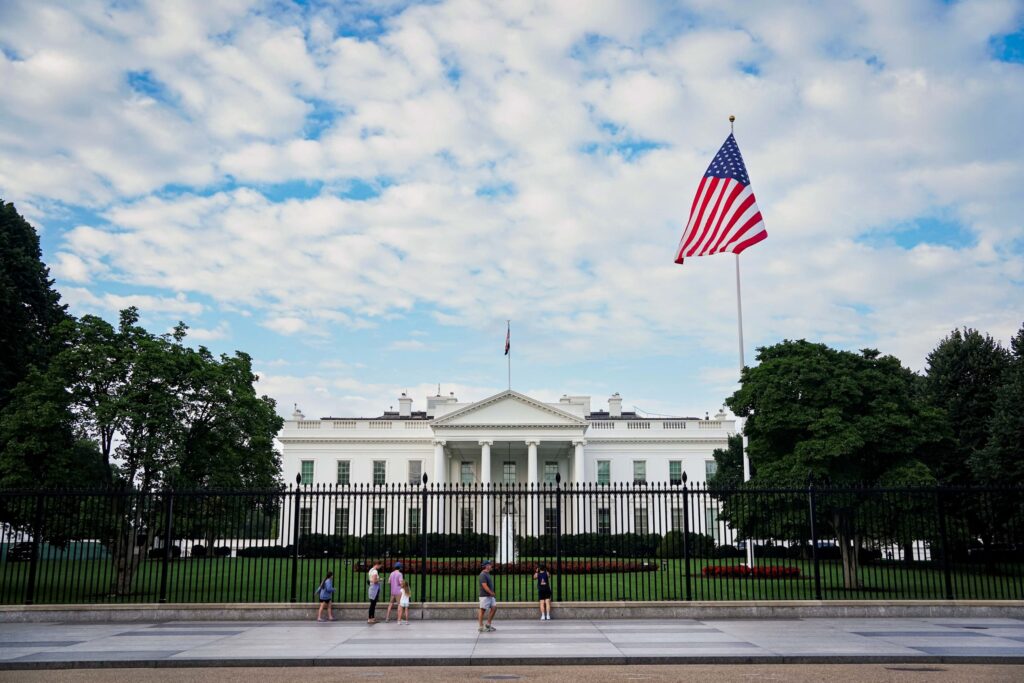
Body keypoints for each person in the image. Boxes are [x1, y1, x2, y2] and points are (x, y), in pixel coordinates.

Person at [477, 560, 497, 633]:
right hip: (484, 596)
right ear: (486, 566)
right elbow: (484, 586)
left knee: (494, 608)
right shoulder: (482, 574)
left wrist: (491, 594)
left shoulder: (487, 573)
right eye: (490, 565)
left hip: (490, 596)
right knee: (482, 610)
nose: (491, 566)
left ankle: (488, 624)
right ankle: (481, 626)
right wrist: (491, 593)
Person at [367, 560, 382, 624]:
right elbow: (374, 581)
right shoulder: (375, 571)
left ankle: (372, 618)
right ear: (377, 564)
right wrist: (380, 579)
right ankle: (370, 618)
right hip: (374, 589)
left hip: (372, 588)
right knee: (373, 604)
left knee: (373, 604)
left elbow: (371, 580)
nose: (380, 567)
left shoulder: (371, 570)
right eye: (380, 565)